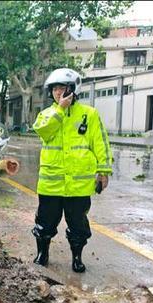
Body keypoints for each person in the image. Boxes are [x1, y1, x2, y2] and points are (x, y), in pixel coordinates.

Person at [31, 68, 113, 273]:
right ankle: (42, 253)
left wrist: (103, 171)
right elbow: (44, 132)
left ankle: (77, 257)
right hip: (51, 182)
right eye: (55, 89)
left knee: (78, 225)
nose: (58, 92)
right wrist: (60, 110)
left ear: (73, 89)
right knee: (45, 222)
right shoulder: (46, 115)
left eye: (62, 88)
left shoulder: (89, 114)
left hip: (79, 184)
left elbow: (100, 143)